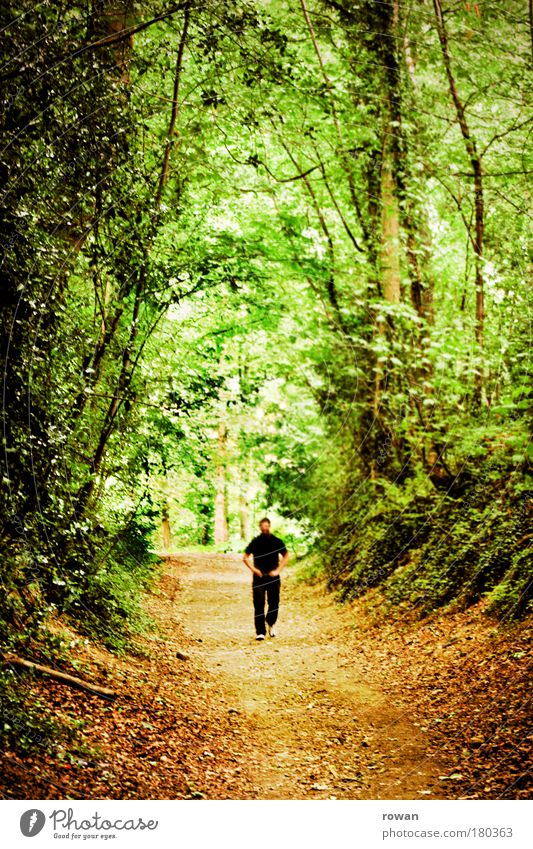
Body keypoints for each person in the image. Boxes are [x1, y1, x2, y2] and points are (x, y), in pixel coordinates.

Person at [243, 518, 289, 640]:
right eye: (263, 526)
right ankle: (260, 631)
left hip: (273, 576)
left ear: (269, 526)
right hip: (259, 577)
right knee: (258, 603)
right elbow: (245, 557)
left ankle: (271, 623)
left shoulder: (276, 541)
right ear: (260, 527)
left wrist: (278, 570)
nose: (265, 528)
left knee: (274, 602)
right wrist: (254, 570)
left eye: (267, 526)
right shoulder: (255, 542)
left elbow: (286, 555)